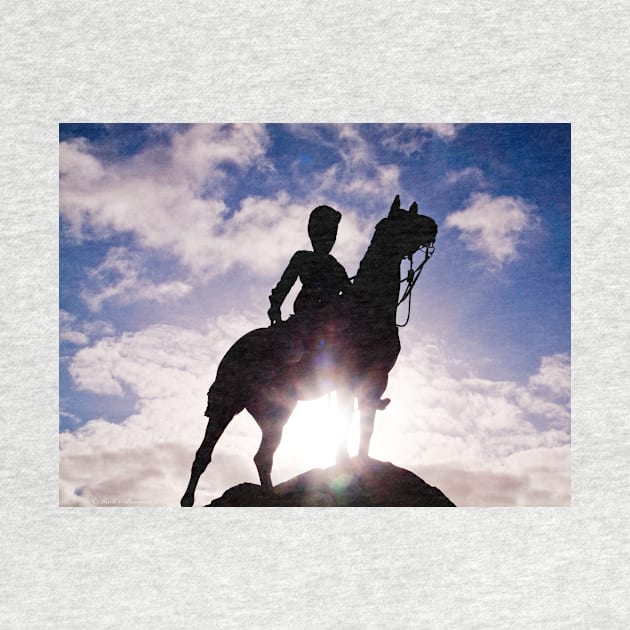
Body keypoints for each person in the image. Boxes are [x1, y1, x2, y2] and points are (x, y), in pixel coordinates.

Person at [267, 205, 352, 332]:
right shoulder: (302, 258)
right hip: (306, 314)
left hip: (330, 317)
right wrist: (275, 306)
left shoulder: (336, 266)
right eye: (324, 234)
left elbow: (350, 293)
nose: (329, 241)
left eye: (332, 235)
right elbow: (284, 285)